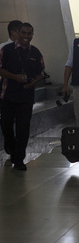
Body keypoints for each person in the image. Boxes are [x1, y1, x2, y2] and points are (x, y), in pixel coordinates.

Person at [0, 22, 44, 170]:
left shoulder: (36, 52)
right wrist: (14, 77)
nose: (26, 36)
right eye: (23, 33)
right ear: (17, 33)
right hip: (7, 95)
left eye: (29, 34)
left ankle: (19, 159)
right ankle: (10, 145)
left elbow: (41, 73)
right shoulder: (6, 50)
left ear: (32, 35)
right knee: (6, 126)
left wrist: (33, 82)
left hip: (26, 97)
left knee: (23, 128)